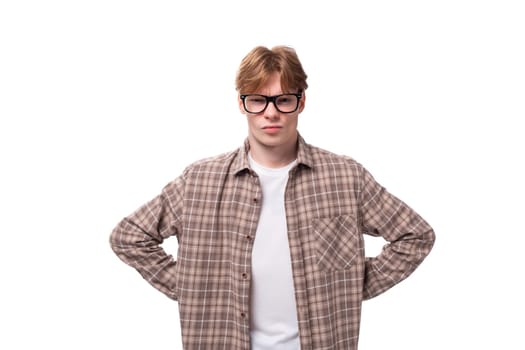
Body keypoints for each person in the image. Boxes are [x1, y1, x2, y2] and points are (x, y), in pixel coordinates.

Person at [110, 45, 435, 350]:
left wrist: (350, 287)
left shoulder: (345, 177)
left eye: (283, 100)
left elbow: (415, 236)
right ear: (241, 103)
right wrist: (188, 286)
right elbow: (129, 237)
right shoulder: (199, 180)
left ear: (301, 101)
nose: (271, 113)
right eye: (258, 100)